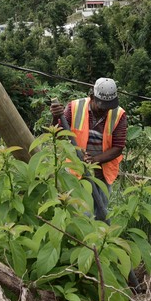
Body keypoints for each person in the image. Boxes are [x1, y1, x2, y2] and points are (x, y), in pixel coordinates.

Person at [50, 77, 127, 222]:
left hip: (102, 174)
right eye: (101, 106)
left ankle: (100, 243)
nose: (105, 111)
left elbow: (118, 147)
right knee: (81, 216)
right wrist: (55, 118)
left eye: (108, 107)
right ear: (92, 97)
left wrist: (94, 160)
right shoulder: (74, 107)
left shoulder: (119, 114)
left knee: (101, 214)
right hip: (77, 172)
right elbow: (58, 135)